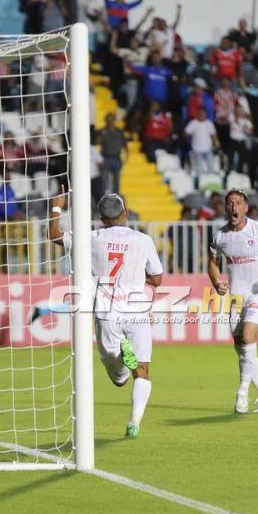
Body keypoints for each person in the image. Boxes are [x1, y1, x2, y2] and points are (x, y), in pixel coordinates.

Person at [49, 192, 164, 438]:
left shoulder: (91, 238)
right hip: (137, 310)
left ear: (102, 219)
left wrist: (57, 208)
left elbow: (54, 235)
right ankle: (134, 422)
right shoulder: (143, 240)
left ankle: (123, 356)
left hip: (107, 312)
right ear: (127, 213)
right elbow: (157, 278)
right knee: (142, 372)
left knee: (119, 379)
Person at [207, 189, 258, 414]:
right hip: (236, 298)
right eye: (230, 203)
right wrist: (216, 281)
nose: (233, 207)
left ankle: (242, 393)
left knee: (248, 337)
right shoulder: (220, 236)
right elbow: (212, 262)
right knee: (242, 347)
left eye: (238, 203)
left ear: (245, 208)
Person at [96, 113, 126, 193]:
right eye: (108, 120)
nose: (109, 122)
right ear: (105, 121)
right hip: (105, 158)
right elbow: (96, 143)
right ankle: (104, 198)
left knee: (116, 182)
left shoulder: (119, 132)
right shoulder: (102, 131)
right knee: (104, 182)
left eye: (111, 120)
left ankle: (116, 199)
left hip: (117, 158)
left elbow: (125, 147)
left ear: (114, 121)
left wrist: (125, 159)